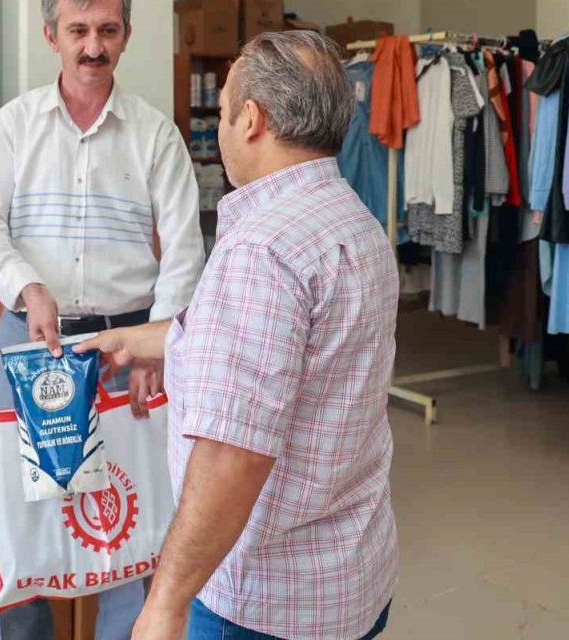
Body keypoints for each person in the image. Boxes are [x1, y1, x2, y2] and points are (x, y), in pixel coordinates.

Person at [76, 31, 400, 640]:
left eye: (225, 106)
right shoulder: (354, 223)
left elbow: (233, 453)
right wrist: (145, 340)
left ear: (251, 119)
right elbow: (289, 357)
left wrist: (167, 600)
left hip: (264, 604)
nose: (223, 122)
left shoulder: (261, 250)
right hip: (352, 577)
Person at [0, 0, 206, 637]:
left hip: (125, 352)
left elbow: (184, 249)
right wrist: (26, 287)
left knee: (132, 520)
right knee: (20, 525)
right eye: (78, 31)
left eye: (106, 30)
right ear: (51, 36)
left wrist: (158, 345)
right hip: (29, 344)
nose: (92, 46)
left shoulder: (156, 135)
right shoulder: (14, 127)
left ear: (126, 35)